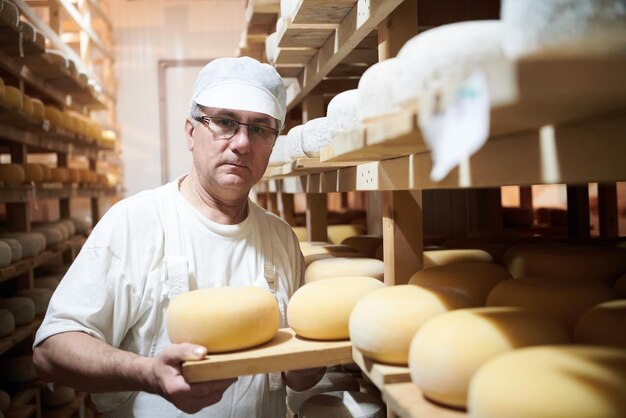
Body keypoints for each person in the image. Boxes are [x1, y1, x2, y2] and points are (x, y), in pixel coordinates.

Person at [33, 57, 323, 417]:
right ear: (190, 131)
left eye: (260, 128)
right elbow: (51, 351)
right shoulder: (135, 222)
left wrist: (311, 362)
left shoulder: (280, 237)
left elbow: (296, 378)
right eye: (224, 122)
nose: (242, 143)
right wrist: (148, 373)